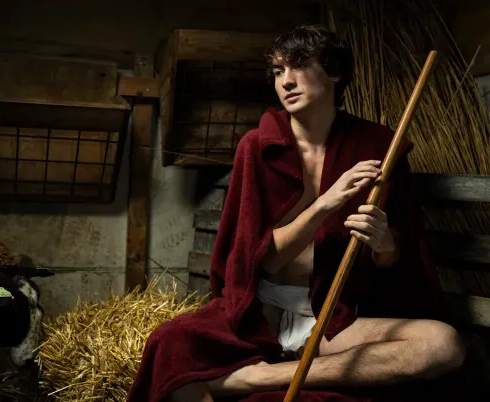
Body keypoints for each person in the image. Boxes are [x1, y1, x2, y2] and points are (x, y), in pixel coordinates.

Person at [127, 25, 466, 402]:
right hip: (262, 315)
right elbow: (264, 260)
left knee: (442, 344)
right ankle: (274, 373)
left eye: (299, 65)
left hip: (334, 320)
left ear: (334, 72)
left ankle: (257, 378)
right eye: (277, 71)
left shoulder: (379, 146)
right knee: (168, 345)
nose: (285, 81)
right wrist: (325, 204)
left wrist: (384, 245)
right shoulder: (258, 146)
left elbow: (398, 264)